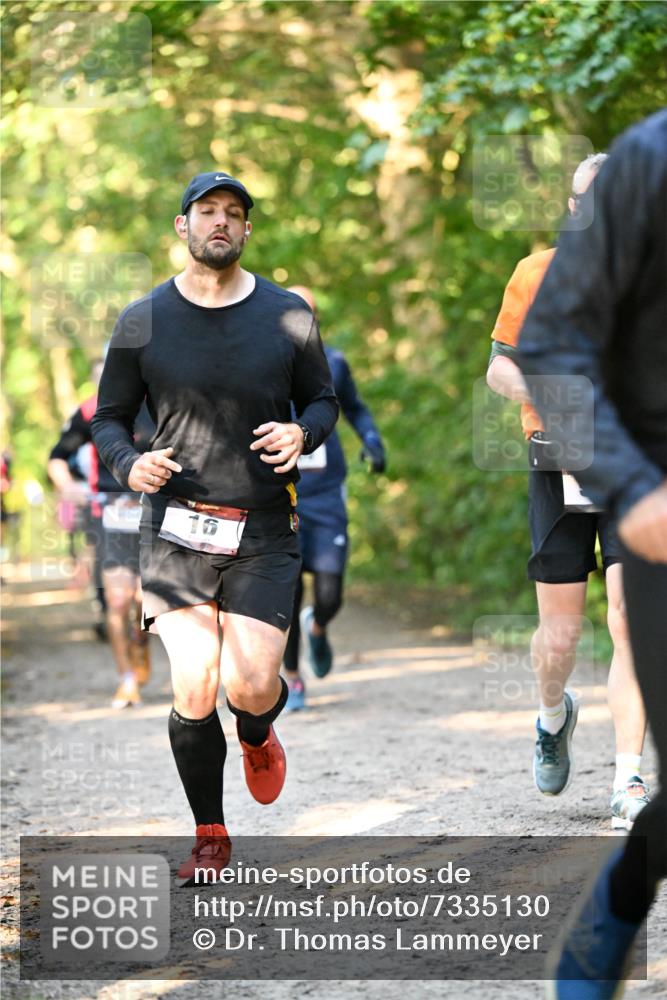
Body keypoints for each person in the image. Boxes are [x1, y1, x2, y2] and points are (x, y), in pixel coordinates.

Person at [91, 171, 338, 881]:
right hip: (175, 527)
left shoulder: (288, 314)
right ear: (183, 226)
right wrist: (128, 463)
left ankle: (257, 730)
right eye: (207, 211)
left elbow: (322, 401)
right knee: (195, 682)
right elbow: (109, 419)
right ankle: (209, 834)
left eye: (233, 212)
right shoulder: (143, 319)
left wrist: (302, 434)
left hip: (262, 527)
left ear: (247, 229)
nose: (220, 221)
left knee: (251, 685)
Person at [516, 109, 667, 998]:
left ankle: (624, 855)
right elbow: (543, 349)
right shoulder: (647, 162)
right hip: (643, 497)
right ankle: (621, 893)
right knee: (573, 631)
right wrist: (631, 486)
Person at [486, 154, 649, 831]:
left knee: (629, 619)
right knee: (559, 636)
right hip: (558, 463)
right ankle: (553, 716)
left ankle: (627, 778)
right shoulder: (535, 273)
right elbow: (498, 367)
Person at [281, 285, 386, 711]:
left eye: (307, 312)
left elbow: (355, 408)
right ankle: (292, 677)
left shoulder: (334, 363)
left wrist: (372, 440)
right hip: (280, 494)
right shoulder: (260, 364)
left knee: (330, 593)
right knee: (287, 591)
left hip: (326, 493)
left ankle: (319, 627)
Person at [48, 366, 154, 707]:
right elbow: (57, 457)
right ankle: (126, 680)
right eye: (99, 376)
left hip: (154, 513)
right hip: (109, 515)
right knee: (118, 600)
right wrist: (68, 486)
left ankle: (141, 643)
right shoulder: (90, 410)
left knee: (145, 600)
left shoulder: (158, 401)